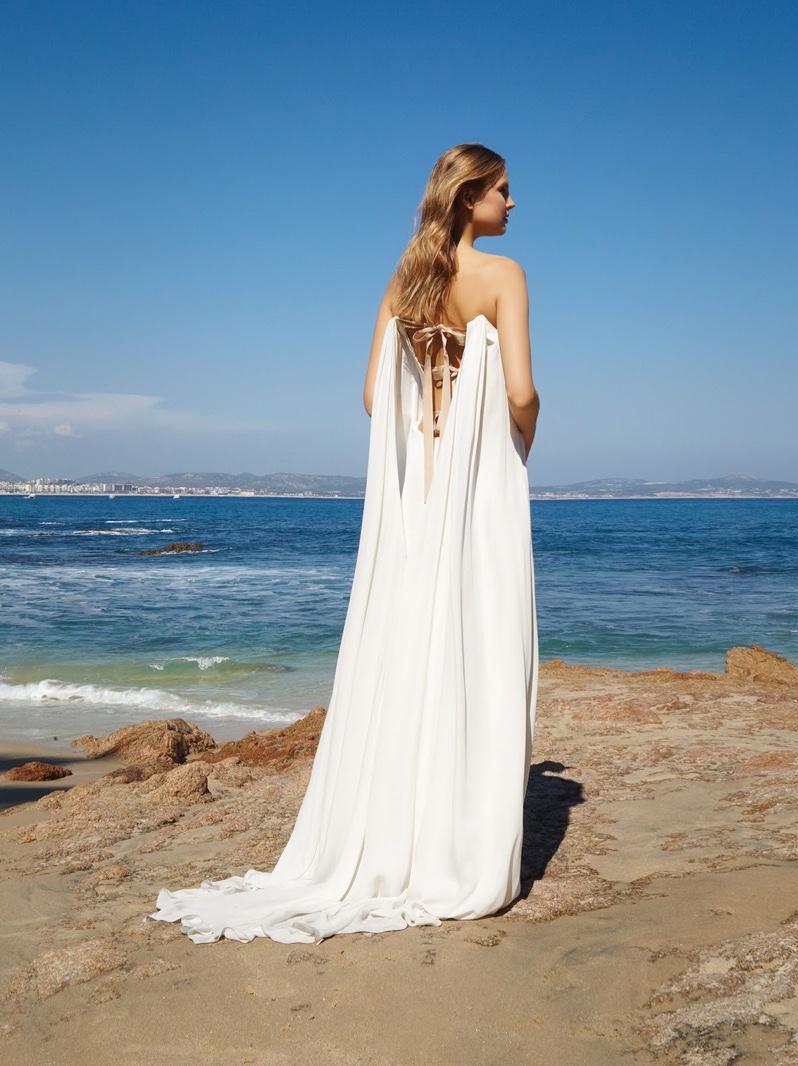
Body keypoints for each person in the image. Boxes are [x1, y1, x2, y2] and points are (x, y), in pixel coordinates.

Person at [151, 143, 539, 945]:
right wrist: (516, 442)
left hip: (416, 502)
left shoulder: (403, 283)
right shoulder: (504, 277)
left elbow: (372, 400)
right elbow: (522, 393)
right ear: (470, 199)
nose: (515, 203)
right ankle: (453, 839)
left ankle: (388, 833)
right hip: (474, 500)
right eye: (505, 190)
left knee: (405, 658)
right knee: (476, 651)